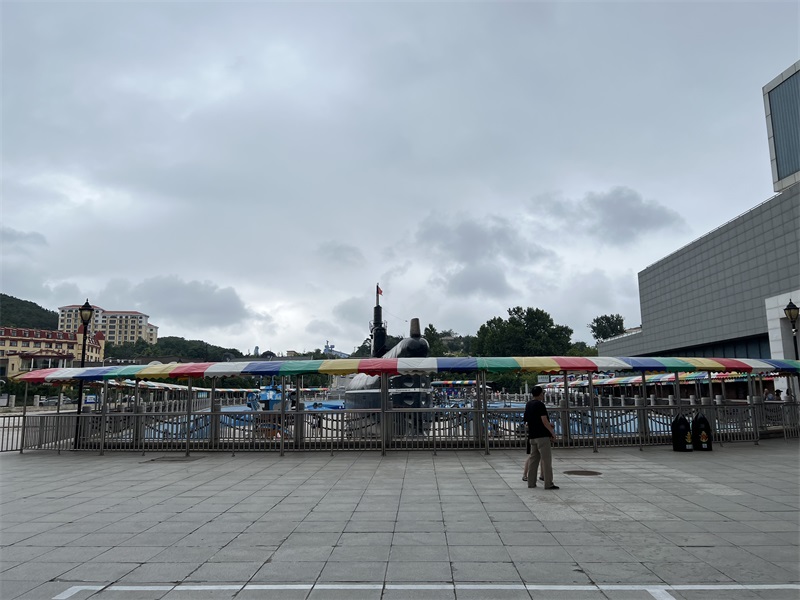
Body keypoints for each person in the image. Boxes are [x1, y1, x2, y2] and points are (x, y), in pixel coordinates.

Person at [523, 385, 559, 490]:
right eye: (542, 393)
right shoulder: (540, 405)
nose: (543, 395)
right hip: (542, 436)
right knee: (546, 460)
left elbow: (527, 421)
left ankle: (531, 483)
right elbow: (544, 420)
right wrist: (552, 432)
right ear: (540, 394)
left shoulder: (528, 404)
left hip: (532, 436)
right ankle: (548, 483)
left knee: (533, 460)